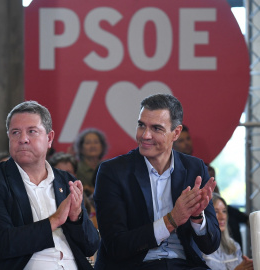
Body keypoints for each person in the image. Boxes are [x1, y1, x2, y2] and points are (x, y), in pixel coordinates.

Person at [94, 93, 220, 270]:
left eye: (156, 128)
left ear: (176, 133)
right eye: (141, 125)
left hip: (185, 265)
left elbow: (211, 245)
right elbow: (116, 246)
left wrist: (197, 217)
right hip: (134, 265)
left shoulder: (194, 169)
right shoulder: (113, 172)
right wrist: (172, 220)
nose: (145, 135)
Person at [0, 101, 100, 270]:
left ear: (49, 138)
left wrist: (76, 218)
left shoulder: (65, 180)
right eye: (15, 132)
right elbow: (2, 243)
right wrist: (55, 220)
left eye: (32, 131)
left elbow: (91, 246)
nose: (23, 139)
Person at [202, 193, 253, 270]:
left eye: (224, 211)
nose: (222, 217)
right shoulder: (199, 248)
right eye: (216, 211)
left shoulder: (234, 246)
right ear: (205, 215)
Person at [74, 128, 108, 196]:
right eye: (88, 143)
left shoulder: (108, 167)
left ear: (102, 146)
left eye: (96, 142)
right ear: (80, 148)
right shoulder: (76, 168)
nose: (92, 146)